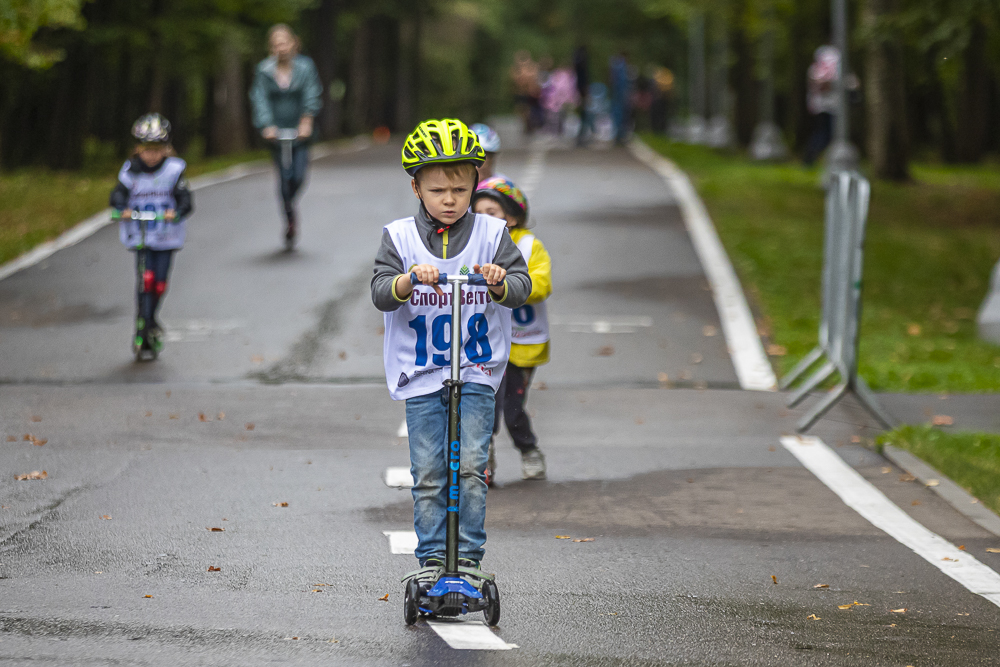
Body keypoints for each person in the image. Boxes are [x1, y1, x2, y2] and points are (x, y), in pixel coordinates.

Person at [371, 119, 531, 572]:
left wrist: (501, 281)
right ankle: (433, 557)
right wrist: (406, 281)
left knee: (472, 469)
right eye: (438, 189)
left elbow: (521, 286)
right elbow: (381, 289)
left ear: (474, 185)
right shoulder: (399, 237)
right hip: (421, 373)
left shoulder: (492, 235)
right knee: (428, 472)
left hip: (476, 370)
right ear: (416, 188)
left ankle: (470, 557)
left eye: (460, 190)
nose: (449, 199)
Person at [472, 177, 550, 481]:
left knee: (512, 407)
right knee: (484, 405)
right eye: (479, 214)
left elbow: (542, 283)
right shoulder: (474, 247)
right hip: (486, 343)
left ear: (512, 216)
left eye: (492, 213)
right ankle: (483, 459)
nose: (485, 220)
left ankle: (529, 449)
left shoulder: (530, 246)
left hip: (522, 343)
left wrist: (509, 286)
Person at [109, 113, 193, 356]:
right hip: (142, 236)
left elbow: (185, 199)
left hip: (166, 237)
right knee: (144, 279)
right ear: (138, 149)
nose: (152, 155)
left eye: (157, 149)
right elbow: (118, 194)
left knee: (159, 283)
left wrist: (177, 211)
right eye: (147, 149)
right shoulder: (130, 172)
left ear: (166, 149)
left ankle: (151, 319)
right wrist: (120, 208)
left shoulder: (174, 171)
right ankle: (142, 323)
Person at [249, 24, 322, 247]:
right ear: (271, 48)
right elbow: (259, 98)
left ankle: (291, 202)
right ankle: (289, 218)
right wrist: (267, 124)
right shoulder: (264, 70)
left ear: (293, 43)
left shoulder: (305, 67)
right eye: (276, 44)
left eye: (284, 42)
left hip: (300, 132)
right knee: (283, 178)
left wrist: (307, 120)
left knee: (298, 176)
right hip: (276, 134)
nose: (281, 47)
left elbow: (312, 92)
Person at [804, 45, 839, 166]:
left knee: (825, 134)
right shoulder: (817, 71)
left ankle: (812, 157)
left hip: (828, 107)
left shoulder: (815, 69)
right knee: (824, 134)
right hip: (824, 107)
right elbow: (820, 86)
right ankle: (810, 157)